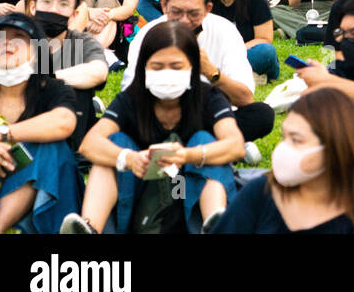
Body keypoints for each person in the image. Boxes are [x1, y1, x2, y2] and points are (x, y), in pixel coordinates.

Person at [62, 20, 244, 234]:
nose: (167, 73)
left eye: (176, 66)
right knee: (113, 146)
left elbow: (236, 145)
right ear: (144, 67)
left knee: (204, 141)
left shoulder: (207, 97)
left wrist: (189, 155)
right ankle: (90, 228)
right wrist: (128, 158)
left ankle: (213, 225)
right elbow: (89, 145)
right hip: (139, 193)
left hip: (187, 190)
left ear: (192, 67)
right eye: (157, 66)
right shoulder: (132, 98)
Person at [213, 88, 354, 233]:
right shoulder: (262, 192)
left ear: (334, 149)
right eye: (284, 137)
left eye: (297, 140)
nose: (283, 149)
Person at [120, 0, 272, 147]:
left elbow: (245, 99)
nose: (184, 21)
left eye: (193, 13)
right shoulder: (148, 35)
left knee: (261, 114)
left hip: (210, 119)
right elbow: (130, 97)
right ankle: (220, 146)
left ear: (207, 8)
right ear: (164, 5)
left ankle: (209, 144)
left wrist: (212, 72)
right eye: (176, 12)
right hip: (160, 120)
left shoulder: (225, 31)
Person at [0, 14, 79, 233]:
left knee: (50, 145)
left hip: (32, 182)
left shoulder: (52, 89)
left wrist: (2, 134)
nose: (8, 42)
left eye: (19, 37)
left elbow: (63, 122)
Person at [24, 0, 109, 151]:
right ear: (33, 6)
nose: (53, 9)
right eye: (47, 1)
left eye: (63, 4)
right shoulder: (15, 38)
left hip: (70, 129)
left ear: (74, 14)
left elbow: (99, 72)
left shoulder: (83, 41)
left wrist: (47, 79)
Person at [205, 0, 277, 82]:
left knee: (265, 51)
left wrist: (235, 51)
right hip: (219, 56)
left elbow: (265, 39)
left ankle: (233, 75)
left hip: (247, 52)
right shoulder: (208, 2)